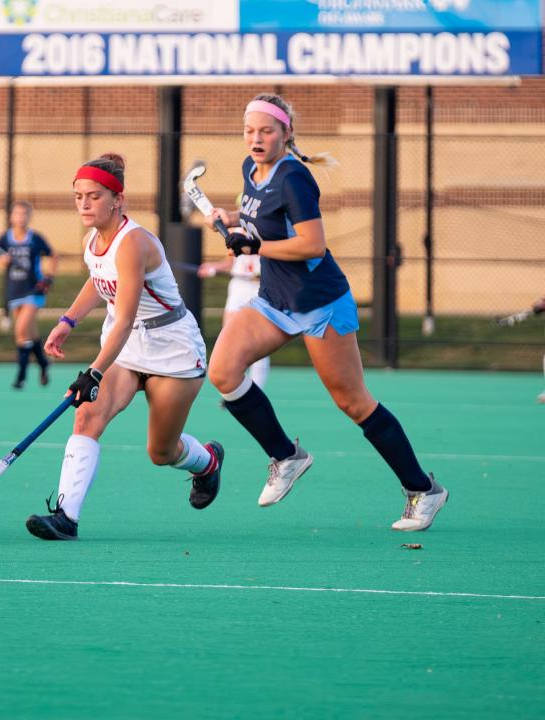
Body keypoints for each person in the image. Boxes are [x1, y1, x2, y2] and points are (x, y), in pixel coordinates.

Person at [204, 94, 448, 532]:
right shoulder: (250, 169)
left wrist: (255, 245)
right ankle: (286, 456)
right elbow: (263, 218)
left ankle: (423, 490)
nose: (256, 139)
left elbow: (312, 244)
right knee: (222, 371)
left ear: (286, 133)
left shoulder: (295, 178)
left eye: (267, 131)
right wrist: (234, 218)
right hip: (275, 299)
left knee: (352, 402)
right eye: (250, 130)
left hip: (320, 302)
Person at [24, 153, 223, 541]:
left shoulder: (133, 244)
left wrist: (93, 372)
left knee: (161, 452)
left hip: (173, 350)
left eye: (94, 196)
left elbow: (127, 314)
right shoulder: (93, 239)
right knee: (86, 417)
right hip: (128, 348)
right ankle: (66, 516)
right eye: (78, 196)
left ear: (118, 199)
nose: (84, 203)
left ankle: (208, 462)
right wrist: (67, 321)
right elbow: (99, 280)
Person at [0, 200, 59, 389]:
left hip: (33, 289)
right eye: (17, 214)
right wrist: (1, 261)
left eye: (24, 214)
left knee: (20, 330)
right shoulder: (6, 238)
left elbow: (53, 255)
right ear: (11, 217)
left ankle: (20, 377)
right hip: (15, 290)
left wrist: (49, 278)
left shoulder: (35, 238)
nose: (20, 218)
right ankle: (43, 364)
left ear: (29, 217)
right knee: (29, 333)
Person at [197, 250, 270, 392]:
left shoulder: (266, 229)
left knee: (259, 341)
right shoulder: (234, 232)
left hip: (260, 287)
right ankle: (235, 389)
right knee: (229, 337)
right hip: (239, 286)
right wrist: (213, 268)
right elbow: (230, 262)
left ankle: (256, 390)